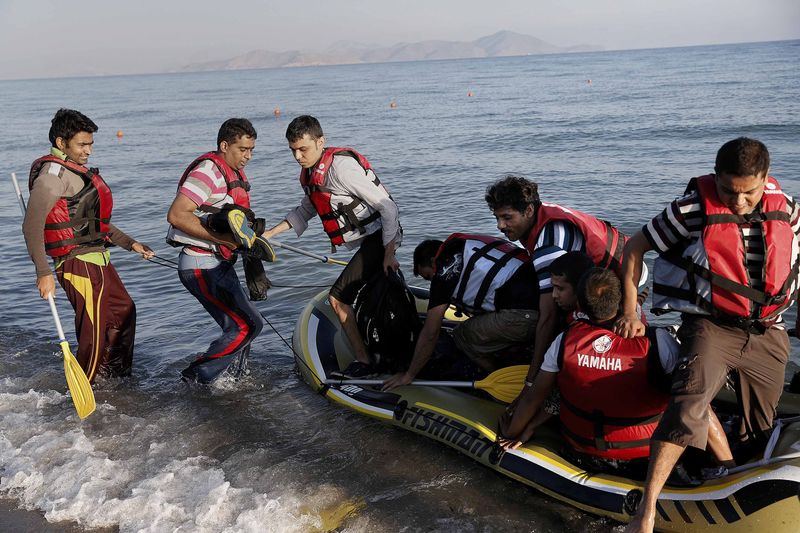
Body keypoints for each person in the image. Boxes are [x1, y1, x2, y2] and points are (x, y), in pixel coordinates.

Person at [617, 138, 799, 533]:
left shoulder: (786, 207)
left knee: (760, 423)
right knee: (688, 404)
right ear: (716, 178)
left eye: (748, 192)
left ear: (765, 180)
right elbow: (635, 246)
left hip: (767, 330)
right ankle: (646, 510)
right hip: (711, 325)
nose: (737, 201)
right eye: (729, 191)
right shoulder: (692, 209)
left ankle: (740, 481)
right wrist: (632, 310)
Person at [498, 269, 735, 479]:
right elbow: (693, 402)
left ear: (580, 305)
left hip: (582, 453)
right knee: (696, 400)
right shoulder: (656, 342)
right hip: (647, 457)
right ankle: (729, 466)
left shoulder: (564, 342)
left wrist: (512, 432)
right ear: (623, 302)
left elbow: (534, 398)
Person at [262, 115, 402, 378]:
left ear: (320, 141)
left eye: (303, 149)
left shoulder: (341, 168)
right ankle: (385, 350)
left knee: (337, 298)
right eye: (293, 150)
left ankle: (365, 362)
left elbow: (388, 207)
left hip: (381, 236)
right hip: (368, 242)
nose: (297, 156)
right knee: (374, 295)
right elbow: (306, 210)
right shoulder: (309, 174)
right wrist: (270, 234)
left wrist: (388, 252)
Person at [22, 108, 154, 382]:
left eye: (90, 144)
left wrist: (131, 244)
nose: (88, 151)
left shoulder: (76, 172)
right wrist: (43, 273)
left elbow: (93, 223)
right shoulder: (51, 177)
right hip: (77, 264)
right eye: (82, 144)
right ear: (61, 143)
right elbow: (31, 226)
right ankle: (87, 388)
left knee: (123, 312)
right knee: (93, 333)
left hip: (98, 260)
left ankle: (114, 379)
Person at [484, 175, 629, 407]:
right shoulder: (545, 217)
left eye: (507, 217)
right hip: (612, 273)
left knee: (582, 341)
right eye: (497, 218)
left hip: (621, 283)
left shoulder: (547, 244)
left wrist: (531, 380)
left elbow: (548, 316)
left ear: (529, 210)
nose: (500, 226)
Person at [166, 118, 265, 383]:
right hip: (200, 265)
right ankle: (195, 378)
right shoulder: (208, 171)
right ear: (224, 145)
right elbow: (176, 215)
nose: (248, 156)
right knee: (247, 326)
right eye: (243, 149)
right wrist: (223, 240)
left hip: (217, 265)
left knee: (246, 325)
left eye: (251, 150)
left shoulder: (230, 174)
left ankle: (235, 381)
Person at [383, 234, 539, 390]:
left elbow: (431, 332)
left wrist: (409, 375)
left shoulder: (444, 269)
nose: (433, 283)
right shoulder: (465, 244)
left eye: (430, 277)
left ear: (432, 261)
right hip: (545, 304)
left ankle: (502, 378)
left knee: (462, 335)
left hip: (523, 314)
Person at [550, 251, 596, 324]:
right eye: (553, 287)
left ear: (580, 287)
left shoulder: (592, 323)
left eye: (560, 288)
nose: (554, 295)